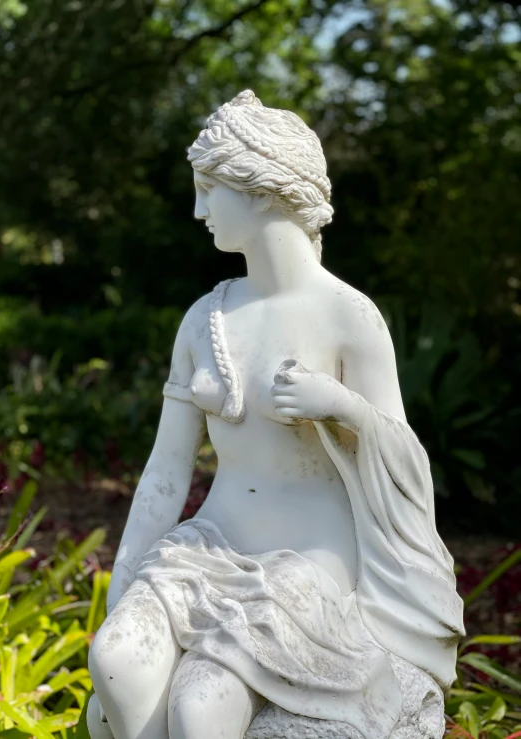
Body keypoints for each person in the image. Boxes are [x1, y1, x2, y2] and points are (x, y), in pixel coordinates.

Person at [87, 91, 464, 739]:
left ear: (261, 189)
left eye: (210, 188)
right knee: (116, 662)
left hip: (308, 562)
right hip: (207, 548)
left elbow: (408, 471)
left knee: (201, 703)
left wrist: (343, 407)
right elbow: (164, 475)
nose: (199, 209)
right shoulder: (205, 318)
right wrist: (123, 589)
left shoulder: (349, 317)